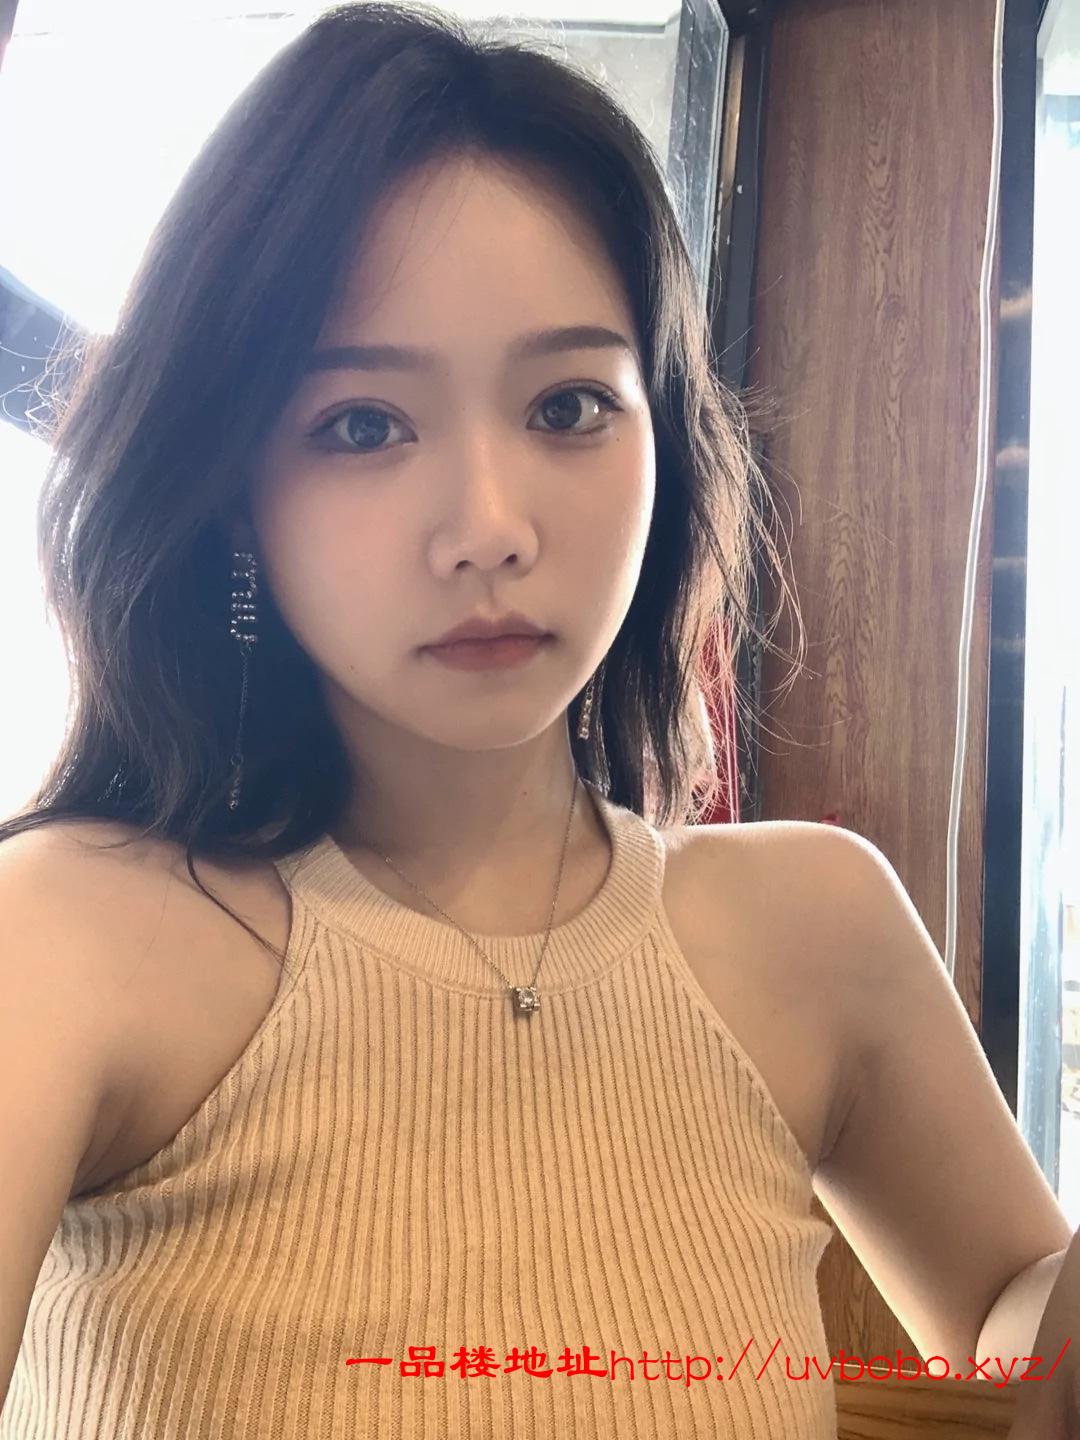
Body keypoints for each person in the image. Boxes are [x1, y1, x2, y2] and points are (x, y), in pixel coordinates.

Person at [1, 4, 1074, 1438]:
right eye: (363, 425)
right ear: (233, 498)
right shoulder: (68, 937)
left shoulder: (815, 928)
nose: (491, 526)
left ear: (664, 440)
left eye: (568, 407)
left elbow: (1016, 1336)